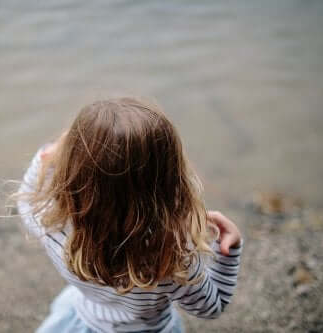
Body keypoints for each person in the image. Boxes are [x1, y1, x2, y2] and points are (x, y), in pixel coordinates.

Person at [16, 97, 243, 333]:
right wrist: (230, 250)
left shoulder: (54, 226)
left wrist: (51, 155)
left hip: (82, 317)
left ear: (73, 170)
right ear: (167, 178)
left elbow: (28, 193)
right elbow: (211, 307)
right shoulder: (172, 260)